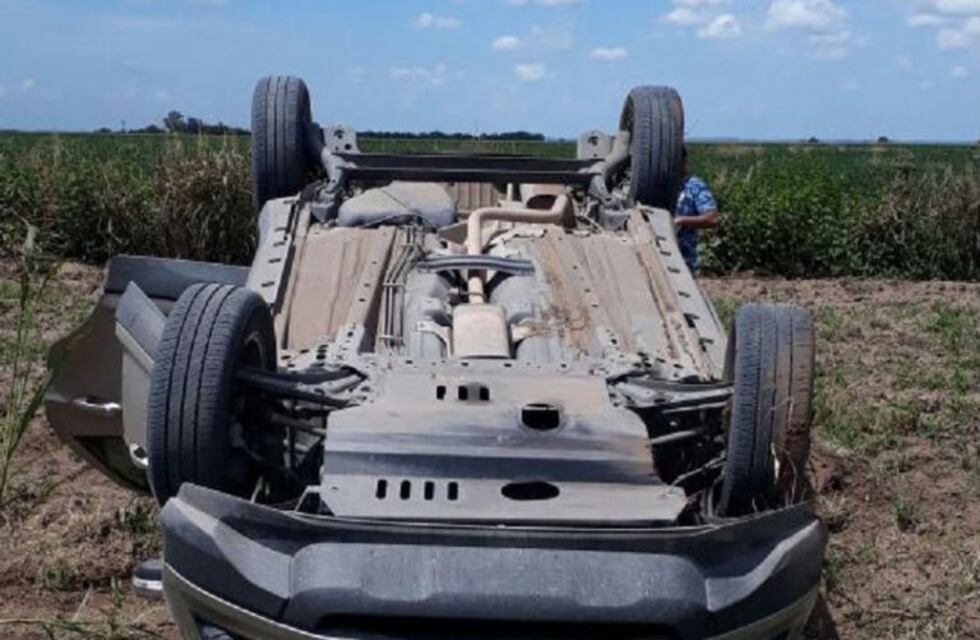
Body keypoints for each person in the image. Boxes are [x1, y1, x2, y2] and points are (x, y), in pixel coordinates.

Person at [673, 146, 720, 273]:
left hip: (684, 259)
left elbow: (712, 218)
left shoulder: (694, 186)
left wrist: (680, 221)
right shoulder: (656, 186)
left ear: (683, 161)